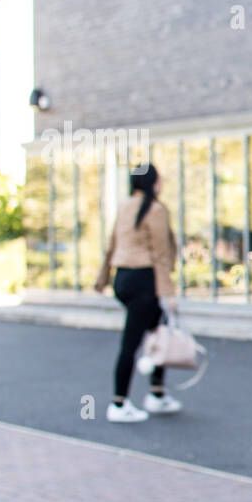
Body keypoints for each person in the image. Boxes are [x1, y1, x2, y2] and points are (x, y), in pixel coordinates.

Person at [93, 163, 182, 423]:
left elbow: (111, 244)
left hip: (123, 278)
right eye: (159, 180)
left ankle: (157, 393)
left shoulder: (124, 205)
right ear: (152, 183)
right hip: (144, 280)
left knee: (159, 332)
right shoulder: (156, 210)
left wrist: (102, 279)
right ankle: (119, 404)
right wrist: (169, 294)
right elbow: (161, 256)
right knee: (132, 343)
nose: (161, 184)